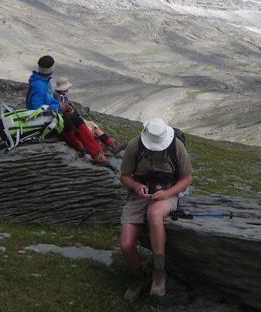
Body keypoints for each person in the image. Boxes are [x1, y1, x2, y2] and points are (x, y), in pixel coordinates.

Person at [119, 117, 193, 301]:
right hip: (140, 194)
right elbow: (125, 176)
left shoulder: (176, 147)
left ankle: (159, 273)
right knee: (126, 244)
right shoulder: (135, 146)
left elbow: (186, 178)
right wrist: (136, 186)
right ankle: (139, 278)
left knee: (154, 213)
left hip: (166, 192)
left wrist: (168, 193)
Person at [26, 55, 107, 164]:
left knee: (76, 119)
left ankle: (96, 151)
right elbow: (36, 109)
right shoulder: (39, 85)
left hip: (50, 113)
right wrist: (59, 107)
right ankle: (79, 145)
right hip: (42, 119)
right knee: (67, 123)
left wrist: (62, 105)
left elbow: (49, 100)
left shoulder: (44, 81)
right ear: (52, 69)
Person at [54, 77, 127, 155]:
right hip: (70, 121)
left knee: (93, 125)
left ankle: (112, 145)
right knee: (88, 131)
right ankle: (99, 150)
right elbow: (60, 110)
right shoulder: (56, 96)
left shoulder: (63, 95)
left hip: (75, 119)